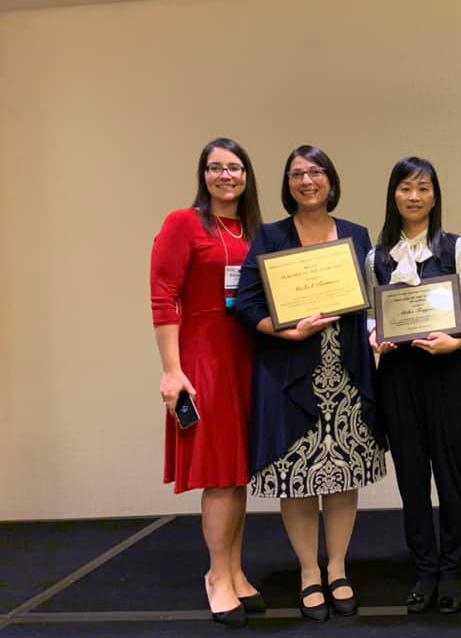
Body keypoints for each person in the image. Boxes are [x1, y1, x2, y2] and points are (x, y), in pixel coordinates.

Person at [235, 145, 387, 623]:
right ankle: (308, 572)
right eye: (297, 174)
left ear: (331, 180)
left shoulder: (357, 235)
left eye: (316, 171)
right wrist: (284, 331)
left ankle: (337, 567)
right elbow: (246, 303)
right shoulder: (271, 236)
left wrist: (381, 330)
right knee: (298, 478)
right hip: (290, 375)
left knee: (342, 474)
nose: (307, 180)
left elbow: (375, 298)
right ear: (288, 184)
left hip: (346, 373)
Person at [150, 137, 264, 627]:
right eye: (216, 168)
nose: (225, 176)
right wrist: (172, 369)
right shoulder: (184, 223)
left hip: (247, 357)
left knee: (237, 473)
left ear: (246, 176)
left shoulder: (254, 231)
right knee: (218, 474)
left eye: (234, 167)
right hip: (204, 360)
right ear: (204, 175)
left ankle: (235, 570)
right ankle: (217, 576)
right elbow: (163, 296)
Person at [365, 157, 461, 614]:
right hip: (397, 376)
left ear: (435, 196)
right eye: (406, 188)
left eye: (424, 188)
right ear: (393, 194)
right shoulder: (378, 256)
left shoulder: (456, 247)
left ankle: (451, 569)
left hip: (446, 372)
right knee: (411, 478)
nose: (414, 196)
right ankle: (425, 569)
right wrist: (374, 334)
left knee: (450, 475)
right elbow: (371, 313)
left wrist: (458, 339)